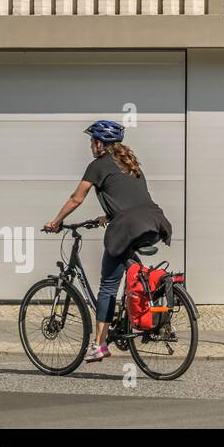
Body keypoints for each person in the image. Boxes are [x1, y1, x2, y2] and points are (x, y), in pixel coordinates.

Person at [43, 120, 173, 363]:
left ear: (101, 144)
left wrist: (55, 221)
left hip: (126, 228)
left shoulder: (97, 166)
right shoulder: (130, 164)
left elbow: (76, 198)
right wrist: (109, 215)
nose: (91, 146)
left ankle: (99, 345)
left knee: (108, 286)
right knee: (131, 268)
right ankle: (135, 307)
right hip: (155, 223)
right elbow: (132, 199)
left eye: (92, 141)